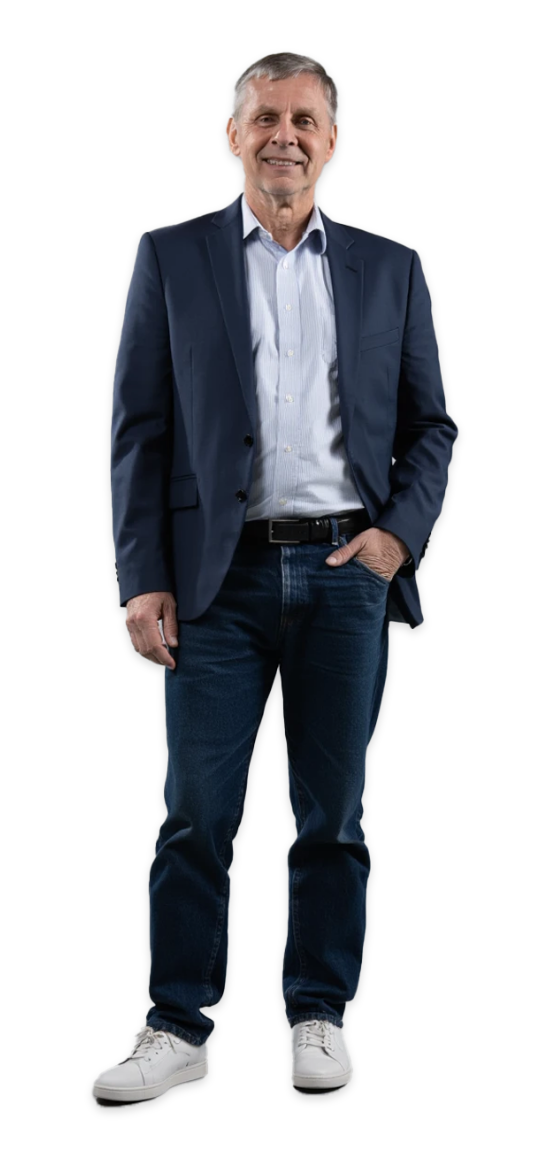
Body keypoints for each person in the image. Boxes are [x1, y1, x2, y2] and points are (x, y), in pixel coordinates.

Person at [93, 50, 458, 1106]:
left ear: (331, 141)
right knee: (194, 813)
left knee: (332, 814)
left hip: (347, 575)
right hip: (215, 582)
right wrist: (141, 577)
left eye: (304, 120)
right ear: (232, 133)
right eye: (265, 118)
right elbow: (138, 430)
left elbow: (433, 425)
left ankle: (317, 1010)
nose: (283, 136)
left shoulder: (392, 266)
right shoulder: (171, 255)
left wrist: (396, 540)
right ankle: (176, 1025)